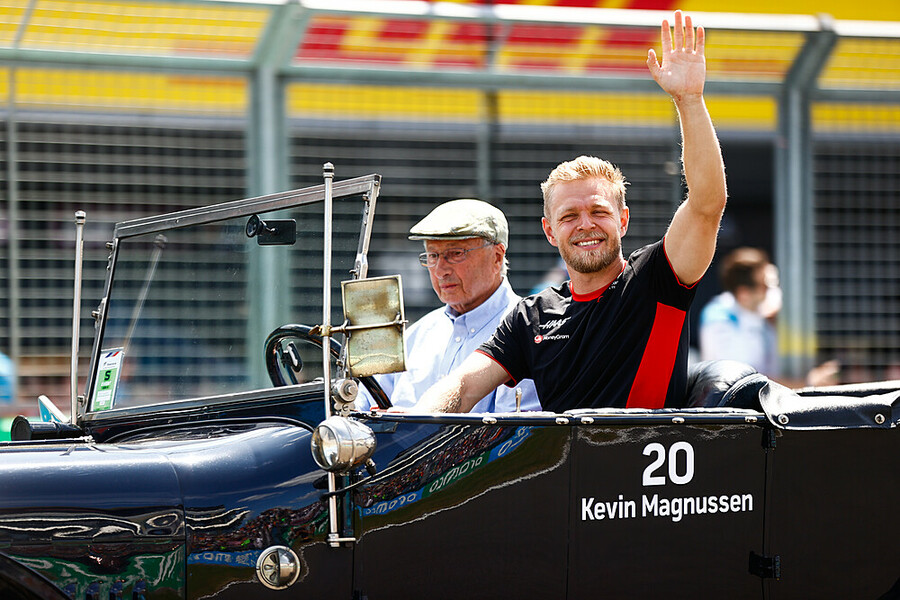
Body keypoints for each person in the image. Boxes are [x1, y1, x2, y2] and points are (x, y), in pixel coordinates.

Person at [411, 11, 727, 413]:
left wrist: (689, 100)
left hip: (641, 454)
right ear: (549, 230)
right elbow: (463, 385)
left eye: (599, 211)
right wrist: (416, 423)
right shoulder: (531, 316)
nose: (585, 225)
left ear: (623, 220)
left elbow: (706, 205)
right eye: (569, 216)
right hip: (561, 457)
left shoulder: (657, 278)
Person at [357, 199, 540, 413]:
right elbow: (362, 407)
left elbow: (513, 429)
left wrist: (413, 424)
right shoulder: (416, 335)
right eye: (433, 256)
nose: (440, 270)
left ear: (497, 257)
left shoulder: (528, 331)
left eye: (456, 254)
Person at [699, 247, 779, 376]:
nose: (771, 289)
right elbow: (740, 378)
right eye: (764, 285)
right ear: (744, 293)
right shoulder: (719, 319)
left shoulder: (768, 305)